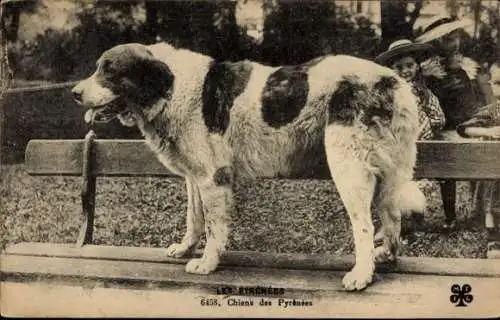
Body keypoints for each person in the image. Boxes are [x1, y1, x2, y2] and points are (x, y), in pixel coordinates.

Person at [415, 15, 500, 258]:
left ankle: (482, 211)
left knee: (485, 151)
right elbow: (427, 100)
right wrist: (429, 77)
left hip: (470, 121)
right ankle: (450, 215)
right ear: (439, 41)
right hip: (445, 126)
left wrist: (483, 117)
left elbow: (477, 99)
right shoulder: (429, 71)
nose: (454, 43)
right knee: (447, 161)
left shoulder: (465, 68)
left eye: (456, 37)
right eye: (449, 39)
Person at [374, 39, 446, 238]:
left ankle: (415, 222)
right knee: (393, 182)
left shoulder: (424, 93)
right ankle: (393, 223)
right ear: (392, 70)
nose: (405, 71)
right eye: (399, 68)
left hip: (420, 143)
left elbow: (438, 117)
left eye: (409, 66)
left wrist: (429, 125)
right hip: (397, 144)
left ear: (416, 67)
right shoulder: (388, 94)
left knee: (419, 181)